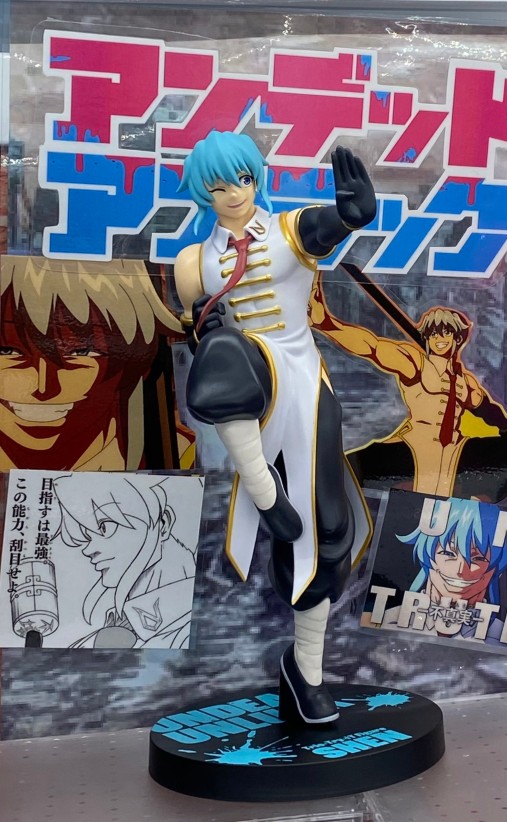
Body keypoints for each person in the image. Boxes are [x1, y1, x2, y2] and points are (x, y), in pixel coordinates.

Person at [174, 130, 376, 724]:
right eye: (218, 186)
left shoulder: (288, 231)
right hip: (251, 380)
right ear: (203, 194)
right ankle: (266, 493)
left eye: (242, 179)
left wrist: (349, 217)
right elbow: (200, 336)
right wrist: (206, 330)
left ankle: (304, 672)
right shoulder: (193, 263)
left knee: (327, 531)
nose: (234, 194)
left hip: (304, 379)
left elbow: (321, 228)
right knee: (225, 352)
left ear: (256, 177)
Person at [310, 279, 507, 501]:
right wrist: (326, 323)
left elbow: (487, 410)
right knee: (352, 467)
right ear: (427, 337)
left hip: (453, 450)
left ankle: (477, 501)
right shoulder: (415, 363)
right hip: (414, 444)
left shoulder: (465, 381)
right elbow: (371, 346)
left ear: (457, 338)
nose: (439, 339)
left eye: (446, 333)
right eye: (434, 333)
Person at [0, 256, 184, 471]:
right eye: (7, 351)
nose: (45, 388)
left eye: (81, 352)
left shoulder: (189, 455)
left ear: (136, 360)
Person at [53, 474, 197, 649]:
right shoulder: (114, 624)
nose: (88, 550)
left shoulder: (189, 626)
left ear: (163, 523)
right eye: (87, 537)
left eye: (105, 528)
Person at [368, 497, 507, 645]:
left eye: (477, 558)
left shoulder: (505, 638)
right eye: (448, 553)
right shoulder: (385, 620)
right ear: (427, 556)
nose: (460, 570)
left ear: (496, 567)